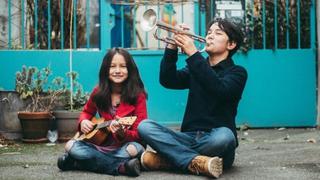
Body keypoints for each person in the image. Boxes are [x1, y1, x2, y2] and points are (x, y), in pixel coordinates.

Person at [138, 18, 247, 178]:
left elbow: (219, 89)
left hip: (215, 138)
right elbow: (168, 80)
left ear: (231, 45)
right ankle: (194, 162)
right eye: (209, 32)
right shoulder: (195, 67)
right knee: (145, 127)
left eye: (217, 33)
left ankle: (170, 159)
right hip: (187, 137)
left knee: (226, 137)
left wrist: (192, 53)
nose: (210, 36)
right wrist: (171, 46)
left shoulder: (237, 72)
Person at [57, 47, 148, 177]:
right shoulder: (98, 92)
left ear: (130, 70)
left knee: (133, 149)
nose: (117, 71)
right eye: (112, 66)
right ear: (106, 70)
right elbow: (87, 112)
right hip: (101, 145)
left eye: (123, 66)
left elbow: (140, 133)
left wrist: (123, 133)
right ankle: (121, 167)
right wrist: (84, 121)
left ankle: (78, 163)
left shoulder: (138, 96)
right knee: (71, 145)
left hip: (125, 145)